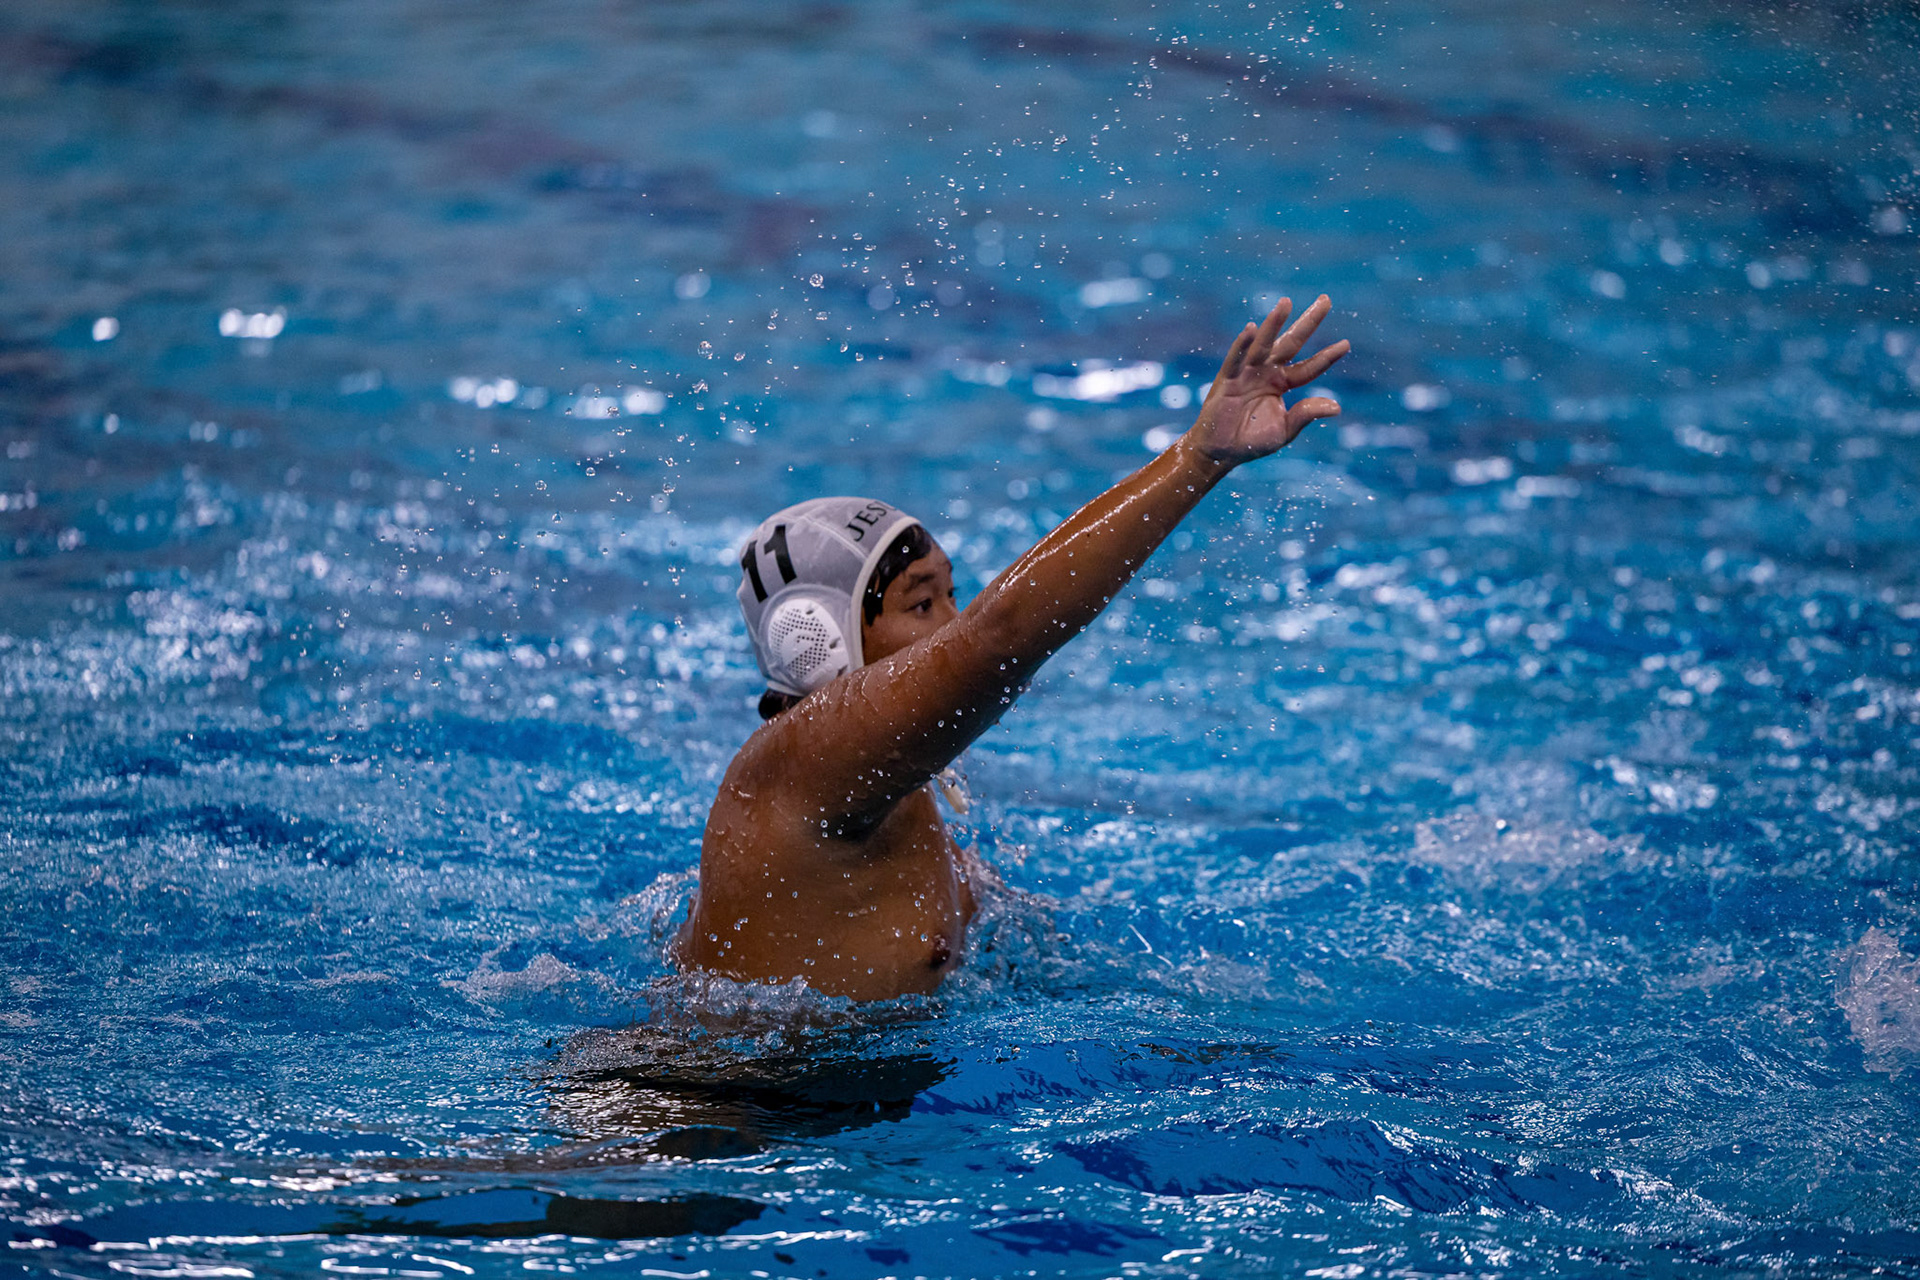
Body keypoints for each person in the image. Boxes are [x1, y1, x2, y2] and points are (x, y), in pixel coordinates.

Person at [677, 295, 1350, 1001]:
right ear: (816, 644)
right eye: (921, 604)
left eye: (952, 596)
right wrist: (1196, 460)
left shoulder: (886, 794)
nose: (950, 625)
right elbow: (998, 636)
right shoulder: (797, 769)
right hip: (753, 1077)